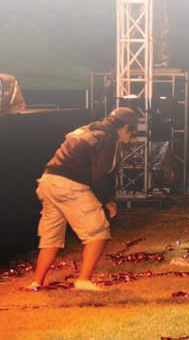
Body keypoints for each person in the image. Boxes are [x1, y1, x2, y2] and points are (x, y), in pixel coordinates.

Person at [27, 107, 138, 291]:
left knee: (51, 238)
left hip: (48, 182)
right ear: (126, 127)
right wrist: (107, 201)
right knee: (98, 232)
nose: (131, 137)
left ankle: (36, 283)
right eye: (132, 132)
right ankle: (83, 281)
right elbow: (98, 176)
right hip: (68, 185)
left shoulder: (89, 129)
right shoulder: (108, 138)